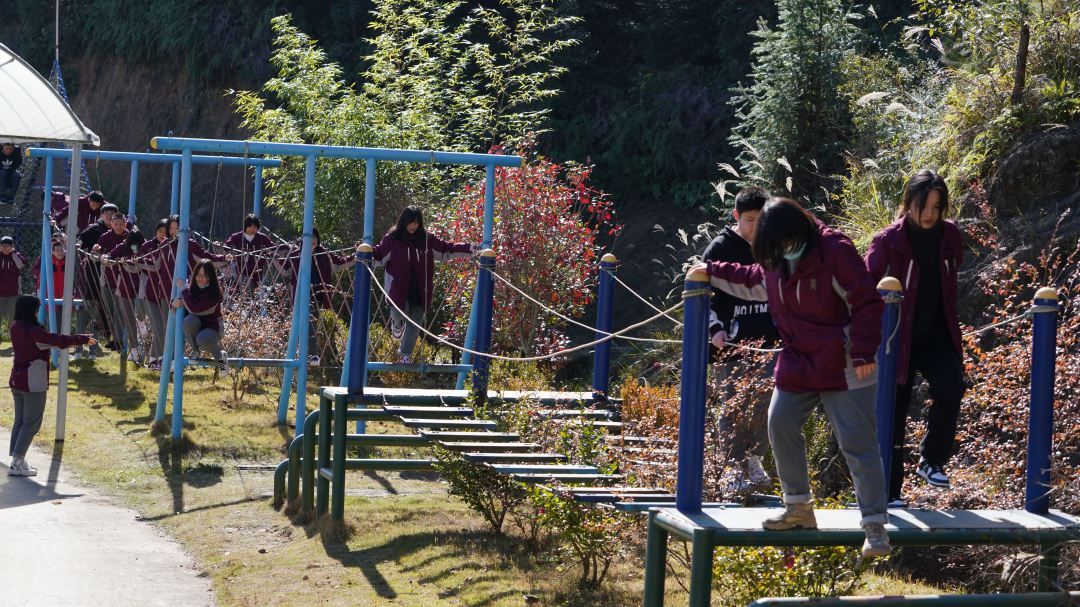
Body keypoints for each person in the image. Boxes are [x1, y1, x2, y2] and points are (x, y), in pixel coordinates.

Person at [695, 197, 891, 559]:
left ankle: (875, 527)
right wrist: (707, 268)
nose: (775, 254)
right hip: (799, 359)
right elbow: (752, 279)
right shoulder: (776, 256)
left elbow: (866, 301)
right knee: (780, 423)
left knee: (857, 443)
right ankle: (798, 506)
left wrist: (864, 352)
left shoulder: (834, 250)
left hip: (846, 360)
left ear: (794, 232)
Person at [865, 169, 965, 506]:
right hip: (896, 337)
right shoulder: (887, 241)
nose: (929, 214)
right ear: (909, 203)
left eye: (936, 207)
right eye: (923, 206)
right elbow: (865, 287)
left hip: (936, 332)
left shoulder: (950, 235)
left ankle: (931, 460)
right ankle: (889, 492)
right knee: (894, 410)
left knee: (952, 384)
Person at [700, 186, 780, 492]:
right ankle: (732, 467)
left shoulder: (774, 246)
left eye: (762, 219)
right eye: (750, 220)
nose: (755, 226)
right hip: (730, 343)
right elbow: (703, 295)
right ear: (736, 215)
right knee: (733, 405)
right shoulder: (719, 248)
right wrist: (714, 329)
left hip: (769, 341)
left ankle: (754, 459)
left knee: (765, 402)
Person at [372, 206, 476, 364]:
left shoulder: (427, 240)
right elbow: (379, 254)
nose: (413, 226)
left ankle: (405, 355)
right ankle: (397, 325)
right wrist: (364, 251)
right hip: (398, 289)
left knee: (415, 324)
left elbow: (446, 248)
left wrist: (469, 248)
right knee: (399, 311)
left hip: (421, 290)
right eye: (410, 222)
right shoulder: (392, 239)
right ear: (403, 222)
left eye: (416, 223)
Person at [8, 295, 95, 476]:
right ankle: (17, 462)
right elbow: (58, 341)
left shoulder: (15, 327)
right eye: (36, 308)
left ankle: (16, 460)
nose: (37, 312)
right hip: (32, 382)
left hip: (17, 379)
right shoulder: (33, 332)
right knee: (31, 423)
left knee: (20, 422)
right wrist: (82, 339)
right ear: (30, 310)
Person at [275, 228, 357, 366]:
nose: (312, 240)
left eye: (315, 237)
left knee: (310, 323)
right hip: (299, 294)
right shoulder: (296, 254)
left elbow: (339, 263)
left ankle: (312, 354)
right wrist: (274, 257)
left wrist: (355, 256)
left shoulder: (324, 254)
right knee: (297, 323)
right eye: (310, 237)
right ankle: (301, 352)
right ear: (303, 240)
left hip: (317, 295)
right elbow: (285, 270)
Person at [173, 259, 228, 373]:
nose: (201, 278)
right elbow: (179, 307)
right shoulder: (191, 290)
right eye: (198, 275)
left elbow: (194, 309)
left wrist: (183, 289)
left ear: (211, 277)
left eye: (205, 275)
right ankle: (195, 350)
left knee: (202, 338)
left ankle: (221, 358)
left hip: (213, 328)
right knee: (188, 320)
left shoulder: (214, 294)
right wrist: (174, 303)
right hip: (198, 327)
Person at [104, 230, 148, 363]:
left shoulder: (146, 247)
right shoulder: (123, 247)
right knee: (128, 319)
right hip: (125, 286)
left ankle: (142, 322)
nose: (135, 246)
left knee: (140, 307)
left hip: (141, 285)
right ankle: (134, 348)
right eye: (132, 243)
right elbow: (109, 256)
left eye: (137, 243)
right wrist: (106, 259)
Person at [93, 211, 131, 351]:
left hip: (123, 280)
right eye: (116, 224)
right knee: (108, 310)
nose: (119, 227)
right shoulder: (105, 237)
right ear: (111, 224)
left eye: (121, 224)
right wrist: (97, 253)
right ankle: (114, 338)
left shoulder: (130, 237)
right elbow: (96, 255)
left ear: (125, 223)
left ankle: (119, 340)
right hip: (106, 279)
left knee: (118, 311)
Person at [135, 220, 170, 369]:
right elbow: (140, 263)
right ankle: (153, 359)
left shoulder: (171, 246)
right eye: (160, 231)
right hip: (150, 293)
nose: (162, 235)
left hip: (166, 294)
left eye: (166, 232)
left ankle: (155, 359)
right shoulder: (148, 246)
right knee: (159, 326)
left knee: (164, 327)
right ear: (155, 231)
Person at [222, 213, 275, 295]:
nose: (252, 229)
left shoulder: (262, 237)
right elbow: (226, 246)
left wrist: (284, 247)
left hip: (258, 271)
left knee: (256, 292)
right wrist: (220, 246)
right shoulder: (237, 237)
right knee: (244, 289)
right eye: (250, 227)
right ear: (245, 226)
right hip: (241, 270)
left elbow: (273, 248)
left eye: (255, 227)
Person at [0, 235, 28, 342]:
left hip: (14, 293)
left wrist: (13, 254)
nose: (5, 248)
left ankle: (14, 339)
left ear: (12, 246)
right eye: (3, 246)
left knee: (13, 317)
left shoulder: (17, 255)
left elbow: (20, 265)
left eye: (8, 246)